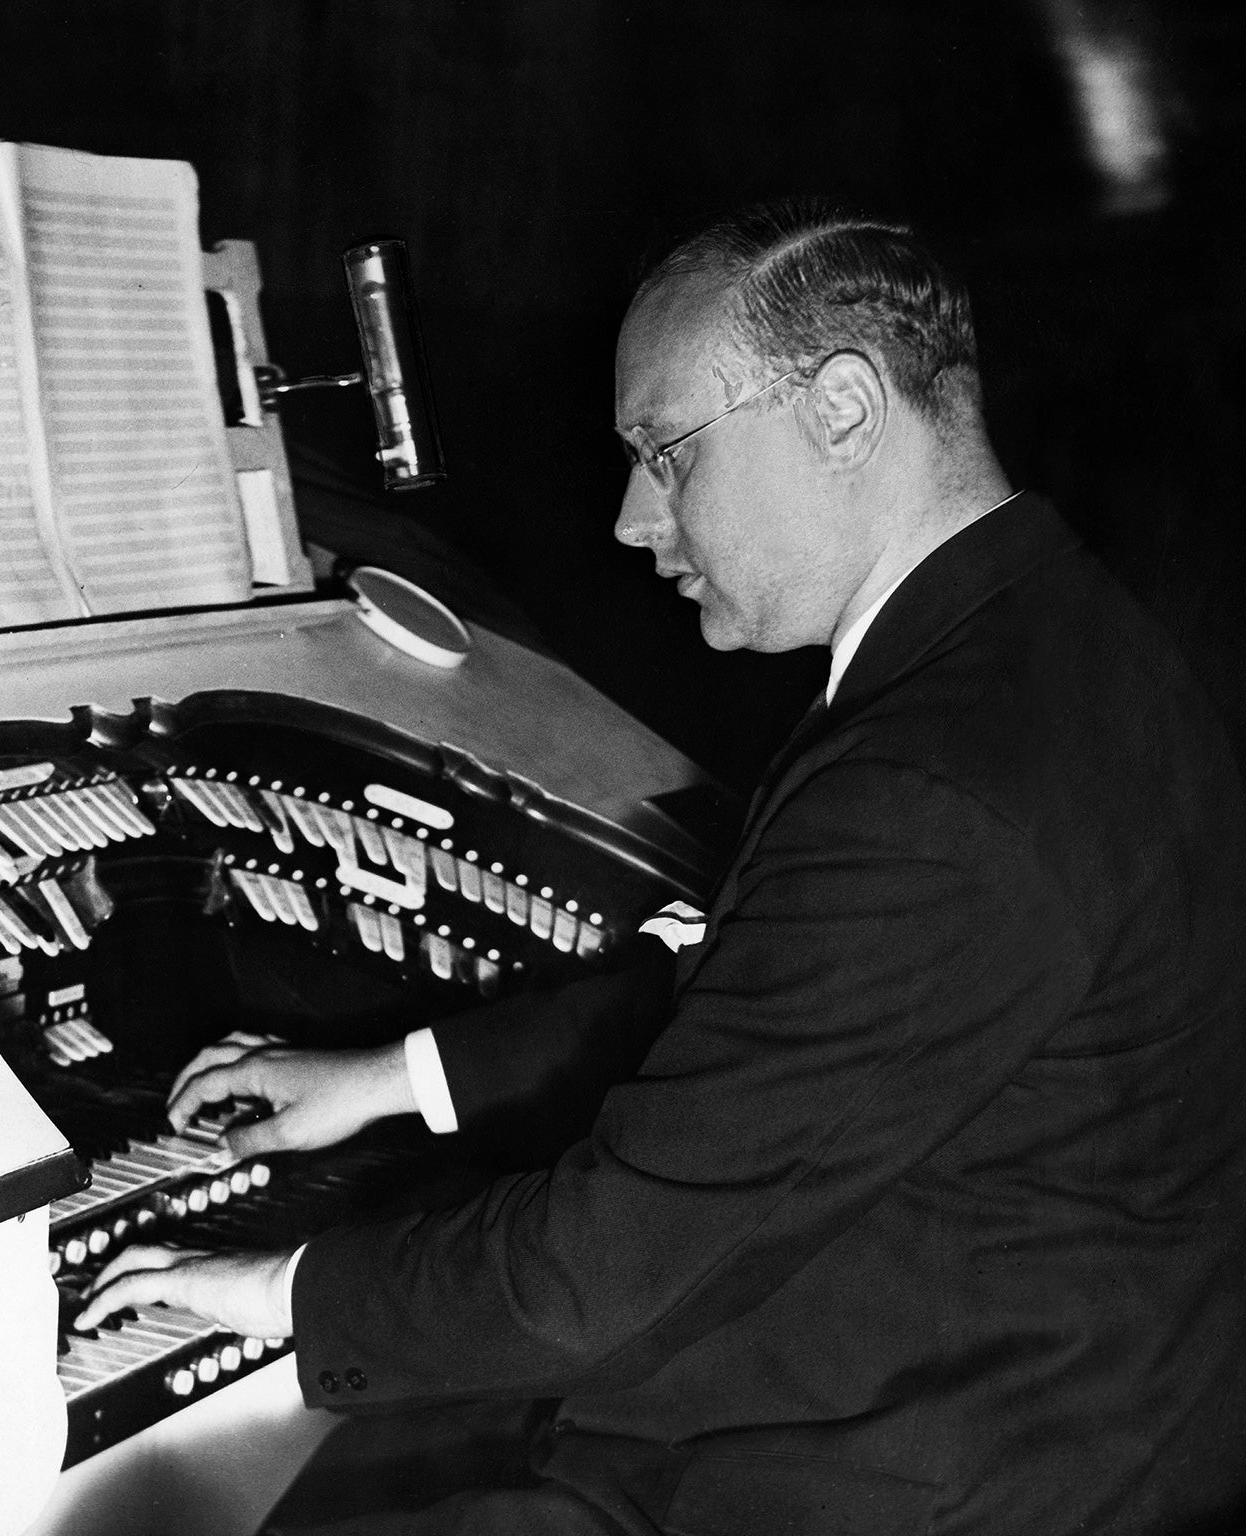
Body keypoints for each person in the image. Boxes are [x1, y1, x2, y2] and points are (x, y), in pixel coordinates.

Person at [75, 201, 1246, 1534]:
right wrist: (392, 1080)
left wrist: (281, 1289)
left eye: (666, 453)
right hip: (1031, 1388)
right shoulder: (1038, 638)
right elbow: (744, 972)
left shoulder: (931, 785)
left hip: (917, 1466)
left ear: (844, 411)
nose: (634, 520)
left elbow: (597, 1277)